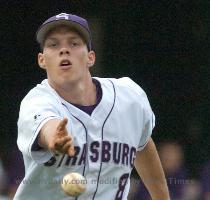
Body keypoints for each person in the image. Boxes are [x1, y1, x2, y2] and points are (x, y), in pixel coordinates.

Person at [14, 12, 170, 200]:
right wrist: (53, 136)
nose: (64, 50)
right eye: (54, 45)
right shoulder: (37, 101)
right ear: (42, 60)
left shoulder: (129, 97)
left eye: (74, 43)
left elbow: (143, 145)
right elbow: (47, 126)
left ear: (90, 57)